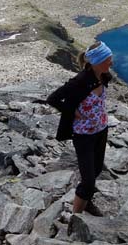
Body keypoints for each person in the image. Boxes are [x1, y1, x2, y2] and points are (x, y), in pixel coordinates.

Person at [46, 41, 113, 215]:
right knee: (88, 181)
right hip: (84, 135)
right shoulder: (80, 81)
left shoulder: (103, 75)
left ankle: (86, 200)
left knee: (97, 169)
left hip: (101, 130)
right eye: (108, 59)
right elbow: (53, 98)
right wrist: (72, 111)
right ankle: (76, 217)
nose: (111, 62)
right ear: (96, 62)